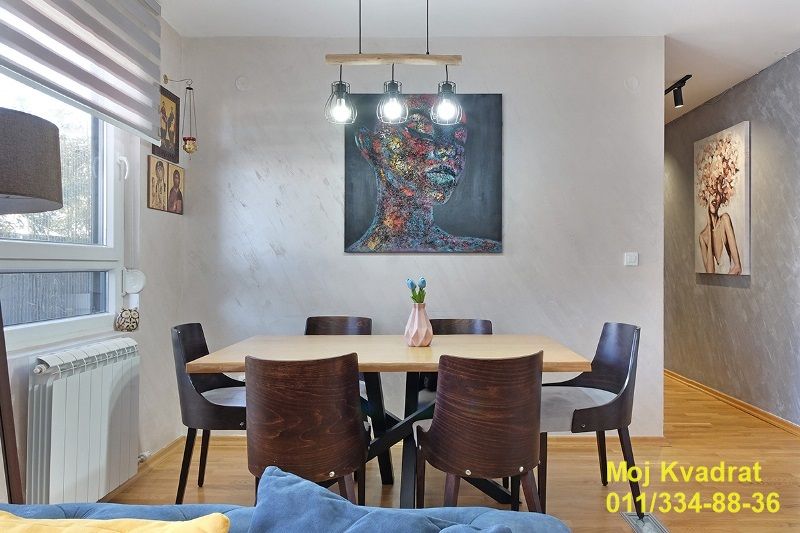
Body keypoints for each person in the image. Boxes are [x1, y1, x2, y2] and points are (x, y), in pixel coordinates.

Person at [347, 95, 500, 253]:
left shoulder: (485, 252)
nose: (448, 149)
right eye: (420, 129)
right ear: (370, 145)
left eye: (459, 137)